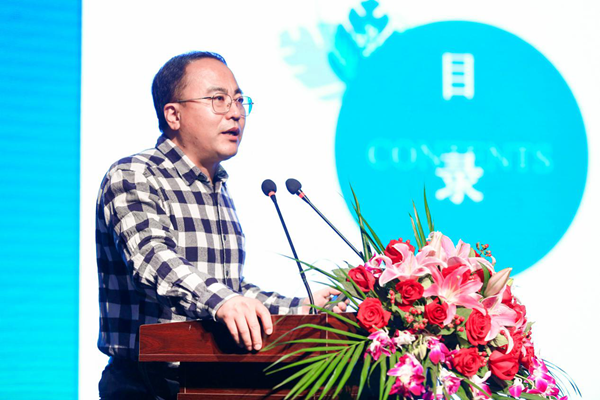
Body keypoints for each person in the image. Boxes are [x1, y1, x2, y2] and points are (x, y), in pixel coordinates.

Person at [95, 51, 346, 400]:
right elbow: (150, 259)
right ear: (173, 114)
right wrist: (225, 301)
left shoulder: (218, 187)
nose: (235, 112)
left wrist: (299, 308)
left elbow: (229, 289)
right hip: (146, 385)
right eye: (218, 99)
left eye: (239, 100)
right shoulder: (135, 174)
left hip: (210, 379)